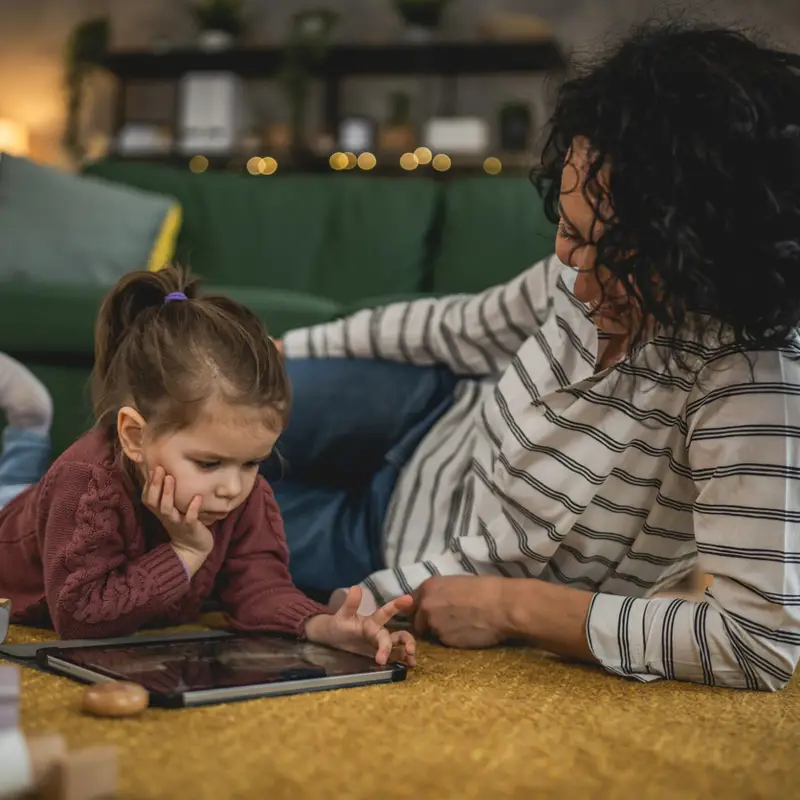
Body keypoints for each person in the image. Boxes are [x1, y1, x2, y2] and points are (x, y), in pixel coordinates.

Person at [267, 21, 800, 691]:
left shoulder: (751, 379)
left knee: (184, 518)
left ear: (689, 253)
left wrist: (512, 608)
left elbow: (756, 642)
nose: (569, 272)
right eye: (568, 230)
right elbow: (458, 327)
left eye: (605, 256)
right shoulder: (587, 257)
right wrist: (289, 348)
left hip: (396, 549)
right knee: (192, 413)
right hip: (426, 411)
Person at [0, 266, 416, 668]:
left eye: (253, 462)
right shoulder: (84, 481)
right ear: (134, 436)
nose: (233, 487)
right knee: (14, 485)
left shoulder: (241, 493)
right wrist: (185, 551)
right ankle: (28, 426)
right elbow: (80, 619)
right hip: (13, 536)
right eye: (208, 462)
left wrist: (325, 626)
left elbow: (261, 586)